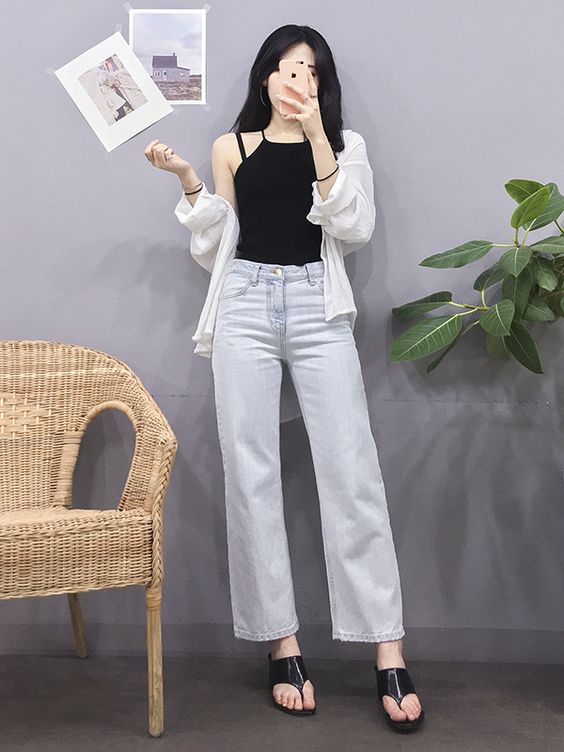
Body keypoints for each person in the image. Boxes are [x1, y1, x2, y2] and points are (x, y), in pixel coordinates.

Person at [145, 24, 425, 733]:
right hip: (243, 302)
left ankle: (387, 647)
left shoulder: (346, 145)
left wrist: (319, 135)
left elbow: (353, 226)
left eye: (311, 70)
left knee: (351, 472)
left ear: (320, 85)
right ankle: (282, 644)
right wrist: (187, 181)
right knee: (252, 471)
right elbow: (219, 243)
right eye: (287, 67)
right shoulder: (231, 147)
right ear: (265, 76)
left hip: (316, 303)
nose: (298, 78)